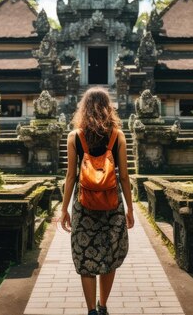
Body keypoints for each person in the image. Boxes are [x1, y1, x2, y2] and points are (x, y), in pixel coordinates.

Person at [60, 87, 135, 315]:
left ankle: (91, 310)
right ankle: (103, 306)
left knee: (85, 256)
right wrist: (130, 208)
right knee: (109, 255)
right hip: (113, 204)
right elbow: (123, 176)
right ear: (107, 107)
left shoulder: (75, 137)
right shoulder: (117, 136)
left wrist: (64, 210)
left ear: (84, 108)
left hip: (84, 205)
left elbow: (71, 176)